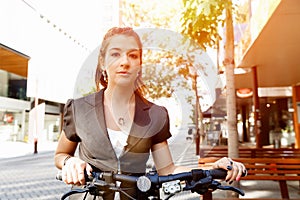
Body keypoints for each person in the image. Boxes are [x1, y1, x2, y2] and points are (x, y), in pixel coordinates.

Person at [54, 27, 246, 199]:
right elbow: (61, 154)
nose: (125, 62)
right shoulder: (78, 109)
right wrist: (70, 163)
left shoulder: (156, 114)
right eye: (115, 54)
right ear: (103, 62)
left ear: (139, 65)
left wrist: (212, 168)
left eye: (133, 55)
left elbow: (167, 169)